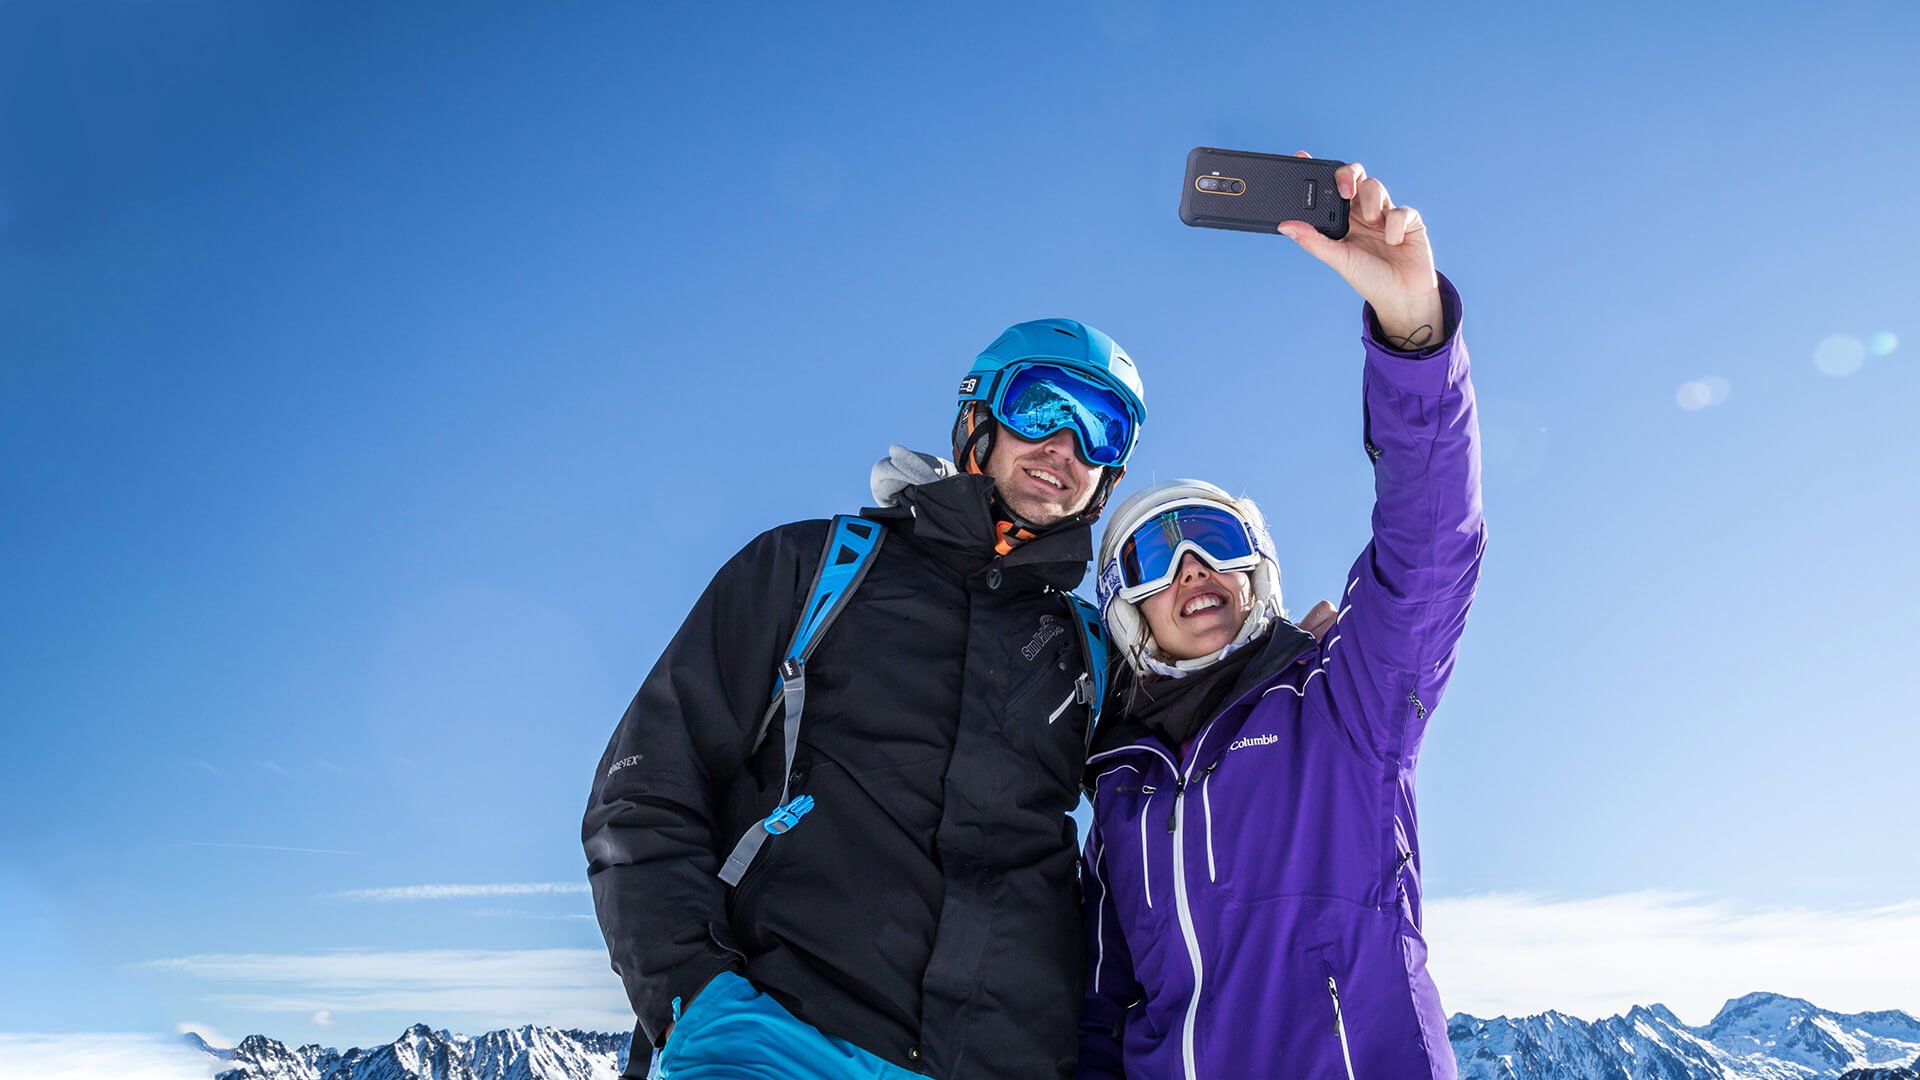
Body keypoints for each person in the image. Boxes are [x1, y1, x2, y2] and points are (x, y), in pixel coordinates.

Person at [584, 318, 1149, 1079]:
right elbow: (647, 787)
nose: (1065, 446)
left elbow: (1222, 762)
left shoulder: (1090, 650)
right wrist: (696, 995)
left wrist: (1291, 652)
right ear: (978, 416)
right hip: (779, 1043)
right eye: (1042, 405)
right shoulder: (813, 568)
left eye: (1102, 430)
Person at [1075, 158, 1484, 1079]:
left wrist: (1413, 339)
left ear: (1256, 573)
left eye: (1215, 540)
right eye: (1152, 557)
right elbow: (1101, 1012)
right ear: (1127, 615)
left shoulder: (1343, 709)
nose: (1191, 568)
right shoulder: (1121, 797)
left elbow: (1430, 552)